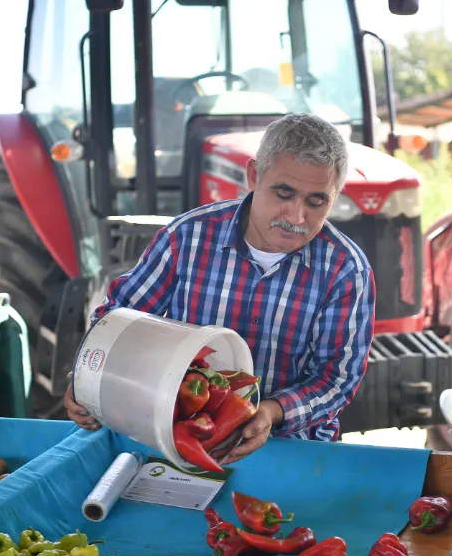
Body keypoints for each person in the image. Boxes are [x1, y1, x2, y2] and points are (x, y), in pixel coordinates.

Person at [64, 113, 376, 463]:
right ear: (254, 176)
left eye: (316, 202)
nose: (296, 216)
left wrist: (271, 413)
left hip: (292, 445)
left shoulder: (345, 270)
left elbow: (337, 379)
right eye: (284, 193)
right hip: (185, 435)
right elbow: (118, 319)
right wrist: (87, 378)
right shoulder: (187, 237)